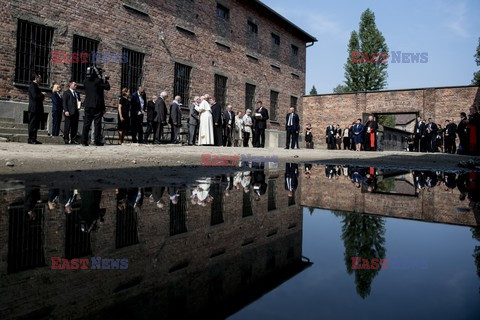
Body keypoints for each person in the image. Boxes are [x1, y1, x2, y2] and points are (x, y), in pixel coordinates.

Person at [81, 66, 110, 146]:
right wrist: (106, 80)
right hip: (96, 105)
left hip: (87, 104)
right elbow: (107, 87)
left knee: (86, 123)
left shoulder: (85, 81)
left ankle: (84, 140)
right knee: (97, 123)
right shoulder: (98, 81)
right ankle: (96, 141)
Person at [27, 73, 45, 144]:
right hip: (33, 108)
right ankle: (31, 139)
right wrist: (42, 94)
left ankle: (34, 138)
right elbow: (35, 96)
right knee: (32, 124)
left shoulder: (36, 86)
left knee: (36, 124)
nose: (40, 79)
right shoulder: (32, 86)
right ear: (36, 78)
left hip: (37, 108)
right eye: (39, 78)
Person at [62, 80, 80, 145]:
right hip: (69, 112)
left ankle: (73, 139)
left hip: (75, 112)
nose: (76, 86)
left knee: (74, 127)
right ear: (70, 85)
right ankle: (66, 139)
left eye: (76, 85)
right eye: (74, 85)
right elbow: (64, 103)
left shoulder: (77, 93)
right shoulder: (66, 93)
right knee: (67, 126)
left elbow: (78, 101)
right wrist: (66, 110)